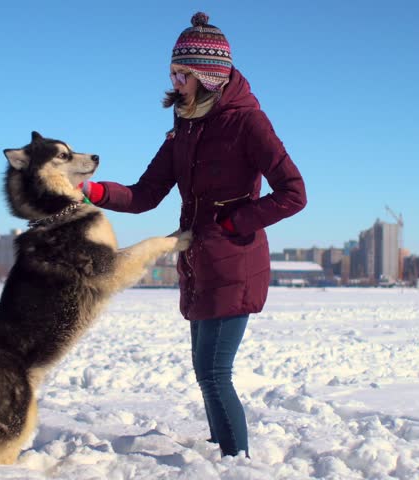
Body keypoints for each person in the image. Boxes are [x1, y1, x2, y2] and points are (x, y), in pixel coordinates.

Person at [81, 12, 306, 458]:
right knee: (205, 372)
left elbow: (294, 193)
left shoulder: (248, 123)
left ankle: (236, 461)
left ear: (207, 75)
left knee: (215, 372)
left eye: (181, 73)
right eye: (172, 72)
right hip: (197, 262)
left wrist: (232, 223)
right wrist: (90, 191)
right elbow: (145, 194)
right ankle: (224, 453)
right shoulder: (185, 127)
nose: (175, 81)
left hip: (234, 261)